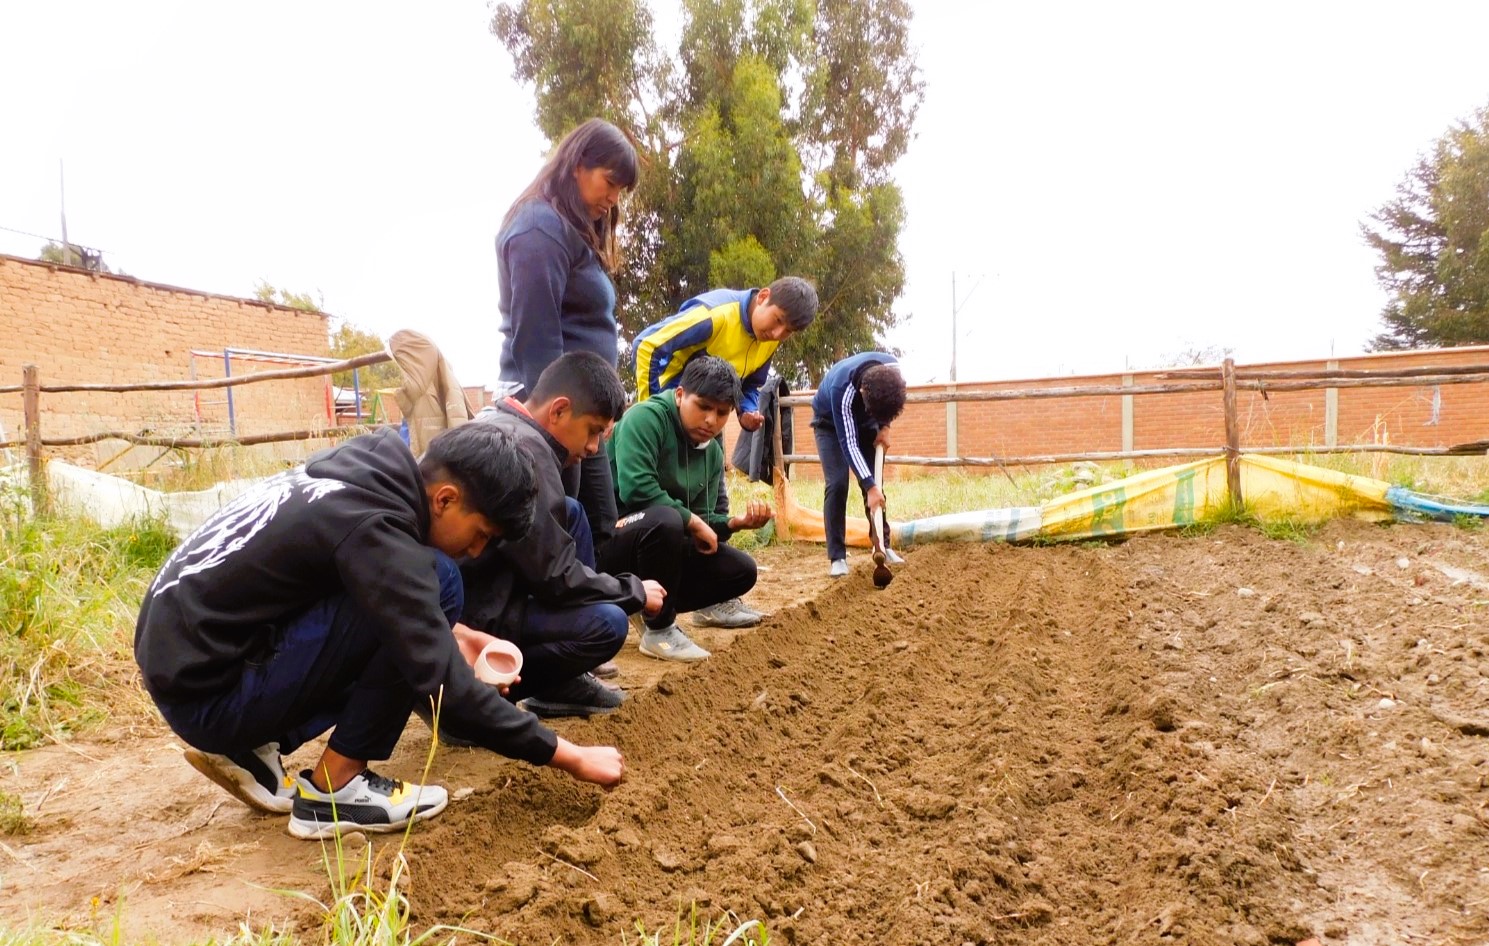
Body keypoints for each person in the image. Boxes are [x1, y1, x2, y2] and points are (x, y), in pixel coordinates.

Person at [134, 425, 626, 841]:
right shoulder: (378, 531)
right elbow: (445, 686)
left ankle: (253, 746)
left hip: (195, 665)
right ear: (446, 498)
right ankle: (334, 792)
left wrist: (460, 634)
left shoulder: (370, 467)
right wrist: (571, 756)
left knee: (433, 589)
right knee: (438, 580)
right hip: (211, 698)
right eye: (482, 534)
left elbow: (361, 584)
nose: (478, 551)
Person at [460, 352, 667, 717]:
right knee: (608, 623)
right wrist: (632, 590)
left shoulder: (500, 422)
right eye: (592, 431)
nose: (592, 448)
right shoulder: (528, 453)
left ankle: (563, 682)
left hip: (477, 589)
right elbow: (555, 576)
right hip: (477, 618)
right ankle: (475, 704)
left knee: (570, 512)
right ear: (558, 411)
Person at [630, 276, 818, 628]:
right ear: (763, 297)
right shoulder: (715, 315)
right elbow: (648, 346)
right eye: (777, 321)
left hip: (707, 421)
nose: (778, 334)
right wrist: (652, 409)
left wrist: (746, 410)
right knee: (662, 505)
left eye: (788, 331)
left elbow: (750, 383)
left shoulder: (768, 341)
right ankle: (645, 599)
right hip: (674, 415)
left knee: (713, 504)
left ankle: (713, 596)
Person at [496, 117, 639, 549]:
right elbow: (535, 337)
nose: (614, 198)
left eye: (621, 191)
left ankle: (600, 612)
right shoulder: (540, 228)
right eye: (610, 183)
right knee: (558, 524)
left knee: (595, 524)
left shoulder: (572, 228)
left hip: (580, 407)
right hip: (553, 409)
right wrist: (554, 424)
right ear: (578, 164)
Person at [598, 356, 773, 662]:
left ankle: (644, 603)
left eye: (722, 413)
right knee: (665, 520)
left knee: (742, 570)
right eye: (703, 406)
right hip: (611, 542)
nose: (711, 420)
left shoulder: (712, 452)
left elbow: (705, 523)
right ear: (680, 395)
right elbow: (637, 489)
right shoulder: (646, 418)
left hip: (661, 546)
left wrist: (735, 523)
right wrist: (692, 522)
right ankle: (659, 629)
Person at [810, 352, 908, 577]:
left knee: (876, 484)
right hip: (830, 425)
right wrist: (869, 486)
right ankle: (837, 557)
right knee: (837, 484)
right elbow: (849, 443)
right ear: (863, 392)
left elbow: (891, 404)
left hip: (868, 421)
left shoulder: (893, 371)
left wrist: (884, 427)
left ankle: (883, 546)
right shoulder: (842, 390)